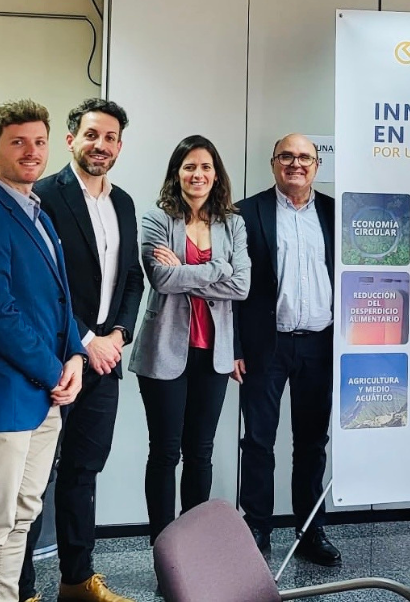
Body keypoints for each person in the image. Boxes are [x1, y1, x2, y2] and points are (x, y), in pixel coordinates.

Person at [0, 99, 86, 602]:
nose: (31, 151)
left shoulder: (37, 213)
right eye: (18, 142)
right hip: (2, 398)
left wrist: (75, 356)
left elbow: (58, 301)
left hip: (46, 395)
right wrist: (55, 370)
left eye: (39, 141)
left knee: (22, 518)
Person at [17, 98, 144, 602]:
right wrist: (85, 341)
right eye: (93, 135)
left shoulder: (125, 203)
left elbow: (133, 279)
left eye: (111, 137)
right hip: (53, 363)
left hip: (105, 364)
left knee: (82, 474)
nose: (102, 146)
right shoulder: (42, 197)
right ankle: (22, 590)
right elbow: (38, 287)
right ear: (71, 139)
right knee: (32, 484)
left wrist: (117, 337)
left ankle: (76, 581)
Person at [129, 135, 250, 544]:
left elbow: (242, 286)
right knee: (165, 452)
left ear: (216, 175)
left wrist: (191, 271)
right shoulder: (156, 218)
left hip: (213, 354)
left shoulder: (233, 223)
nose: (198, 174)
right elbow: (161, 279)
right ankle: (164, 549)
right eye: (189, 166)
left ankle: (194, 550)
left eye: (206, 167)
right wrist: (220, 267)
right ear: (177, 173)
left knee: (201, 452)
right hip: (164, 351)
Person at [233, 133, 340, 566]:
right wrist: (236, 347)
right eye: (287, 156)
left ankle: (311, 529)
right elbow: (233, 289)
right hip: (266, 346)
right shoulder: (246, 212)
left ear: (317, 165)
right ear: (274, 162)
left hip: (320, 343)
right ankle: (256, 529)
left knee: (312, 444)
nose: (296, 164)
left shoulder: (336, 212)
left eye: (305, 158)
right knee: (257, 441)